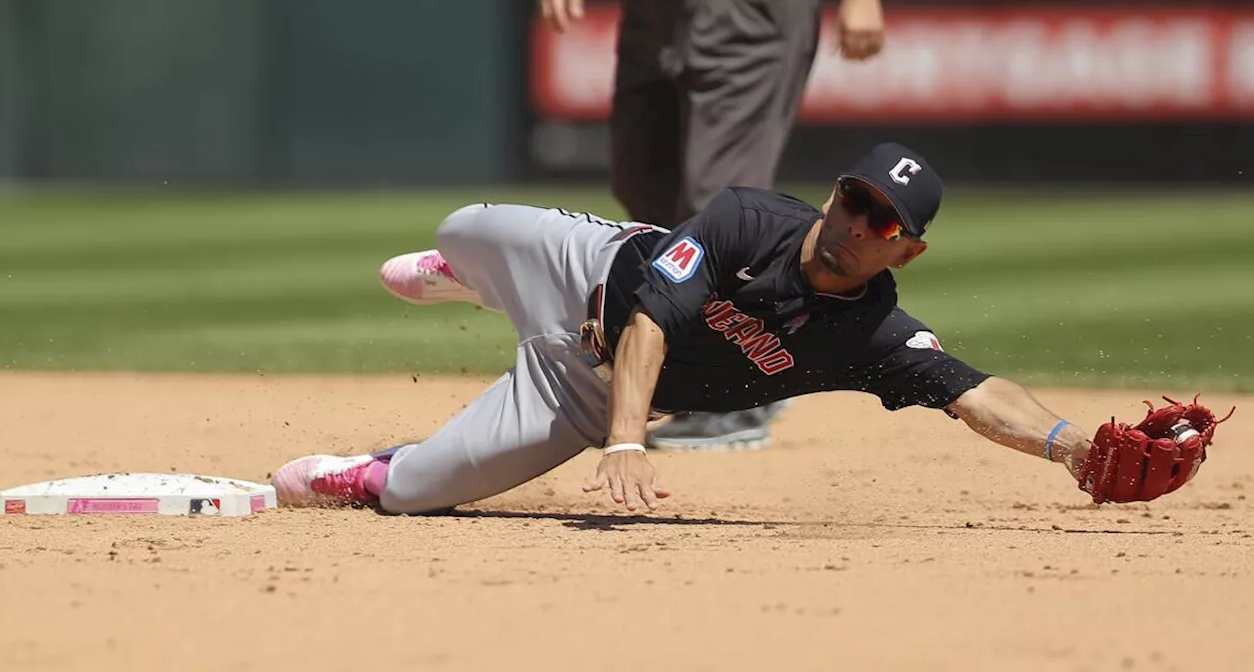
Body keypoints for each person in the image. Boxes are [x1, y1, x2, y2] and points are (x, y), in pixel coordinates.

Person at [270, 142, 1216, 515]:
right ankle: (475, 283)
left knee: (414, 494)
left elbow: (971, 388)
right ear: (836, 190)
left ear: (906, 252)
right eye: (854, 199)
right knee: (450, 234)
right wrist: (633, 441)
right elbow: (648, 319)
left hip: (583, 395)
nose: (855, 225)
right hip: (589, 272)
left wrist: (1068, 444)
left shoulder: (870, 335)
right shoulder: (742, 221)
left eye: (883, 222)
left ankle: (379, 465)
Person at [536, 0, 887, 451]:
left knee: (717, 205)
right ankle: (684, 373)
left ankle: (741, 394)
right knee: (642, 187)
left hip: (751, 14)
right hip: (654, 17)